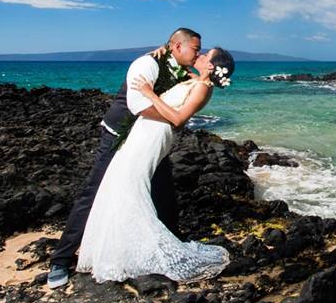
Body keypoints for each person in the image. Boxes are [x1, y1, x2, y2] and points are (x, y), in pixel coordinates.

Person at [47, 28, 202, 288]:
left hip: (146, 142)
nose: (199, 53)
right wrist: (176, 120)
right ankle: (60, 260)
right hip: (118, 137)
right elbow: (137, 105)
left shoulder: (180, 69)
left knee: (163, 192)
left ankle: (172, 243)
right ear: (177, 47)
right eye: (195, 48)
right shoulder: (146, 63)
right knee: (94, 193)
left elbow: (197, 83)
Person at [76, 47, 235, 283]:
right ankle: (118, 245)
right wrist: (161, 51)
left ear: (210, 66)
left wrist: (149, 94)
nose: (198, 56)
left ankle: (132, 251)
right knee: (121, 183)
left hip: (155, 135)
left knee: (132, 187)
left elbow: (179, 120)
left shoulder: (202, 87)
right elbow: (174, 66)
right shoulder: (195, 80)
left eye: (204, 56)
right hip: (144, 131)